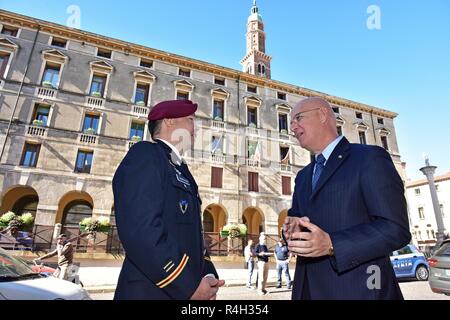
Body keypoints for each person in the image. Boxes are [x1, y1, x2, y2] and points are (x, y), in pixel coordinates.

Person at [283, 97, 411, 300]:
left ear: (323, 115)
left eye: (298, 118)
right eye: (290, 122)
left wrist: (333, 244)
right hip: (306, 290)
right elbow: (297, 221)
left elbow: (396, 228)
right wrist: (291, 229)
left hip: (362, 291)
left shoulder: (370, 158)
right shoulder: (303, 175)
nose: (292, 127)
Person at [113, 99, 225, 300]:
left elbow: (192, 235)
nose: (195, 129)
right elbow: (141, 230)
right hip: (152, 291)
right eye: (190, 120)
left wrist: (207, 275)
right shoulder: (146, 154)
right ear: (169, 122)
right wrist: (188, 286)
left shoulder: (181, 169)